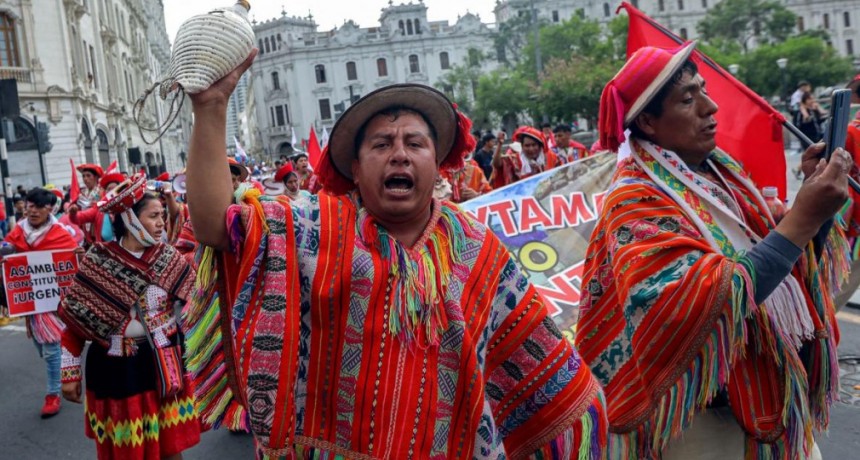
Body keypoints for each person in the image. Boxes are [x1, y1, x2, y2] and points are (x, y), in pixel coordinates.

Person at [184, 50, 607, 458]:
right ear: (355, 165)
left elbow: (539, 358)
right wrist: (212, 105)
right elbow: (216, 226)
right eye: (382, 144)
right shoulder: (310, 228)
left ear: (437, 161)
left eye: (415, 143)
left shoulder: (478, 249)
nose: (400, 153)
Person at [577, 43, 849, 459]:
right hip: (700, 422)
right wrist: (803, 219)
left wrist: (817, 206)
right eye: (688, 99)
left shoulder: (723, 171)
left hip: (771, 398)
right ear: (648, 122)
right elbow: (692, 300)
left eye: (704, 90)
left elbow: (777, 258)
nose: (710, 107)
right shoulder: (634, 199)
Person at [58, 174, 200, 460]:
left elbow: (198, 306)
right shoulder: (99, 261)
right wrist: (69, 372)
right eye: (154, 216)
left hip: (164, 361)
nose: (162, 222)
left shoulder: (169, 259)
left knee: (171, 448)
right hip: (116, 369)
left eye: (162, 215)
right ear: (130, 220)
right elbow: (76, 322)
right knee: (125, 451)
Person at [3, 188, 80, 417]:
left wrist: (79, 256)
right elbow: (8, 251)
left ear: (50, 209)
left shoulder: (61, 235)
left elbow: (71, 264)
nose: (32, 211)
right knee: (42, 347)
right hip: (30, 303)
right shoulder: (18, 232)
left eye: (38, 206)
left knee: (50, 350)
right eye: (30, 206)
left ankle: (53, 394)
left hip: (53, 303)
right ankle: (61, 368)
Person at [490, 126, 561, 188]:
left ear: (539, 146)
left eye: (534, 145)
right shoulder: (514, 160)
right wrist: (499, 144)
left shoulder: (551, 157)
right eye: (527, 146)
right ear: (522, 146)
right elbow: (497, 164)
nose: (531, 149)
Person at [68, 170, 125, 245]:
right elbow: (79, 217)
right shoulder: (99, 208)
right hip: (105, 251)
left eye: (115, 189)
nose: (112, 192)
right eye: (109, 189)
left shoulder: (128, 206)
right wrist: (73, 214)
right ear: (105, 192)